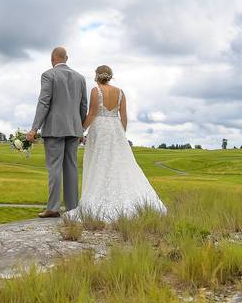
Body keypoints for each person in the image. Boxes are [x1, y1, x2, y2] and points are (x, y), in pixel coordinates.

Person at [66, 65, 166, 222]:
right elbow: (124, 115)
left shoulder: (95, 90)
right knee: (120, 164)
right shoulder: (120, 92)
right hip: (116, 128)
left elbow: (92, 113)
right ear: (110, 76)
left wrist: (81, 130)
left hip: (99, 129)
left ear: (96, 76)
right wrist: (121, 133)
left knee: (98, 162)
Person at [27, 46, 88, 218]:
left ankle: (53, 207)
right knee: (72, 167)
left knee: (54, 168)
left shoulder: (48, 75)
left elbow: (44, 102)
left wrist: (34, 128)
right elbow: (84, 106)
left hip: (54, 128)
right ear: (66, 58)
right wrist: (80, 128)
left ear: (52, 58)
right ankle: (72, 208)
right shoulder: (80, 78)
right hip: (74, 129)